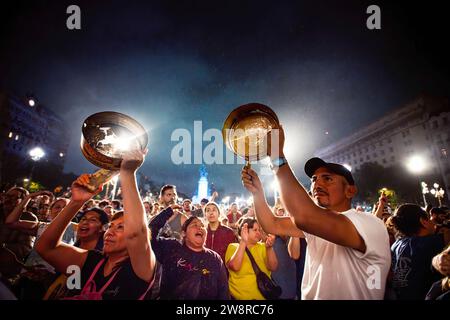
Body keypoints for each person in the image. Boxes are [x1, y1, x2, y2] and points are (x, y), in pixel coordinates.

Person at [241, 126, 391, 300]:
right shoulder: (315, 224)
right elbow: (271, 224)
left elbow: (304, 216)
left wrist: (277, 157)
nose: (317, 184)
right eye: (314, 179)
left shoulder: (370, 224)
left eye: (327, 178)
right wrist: (257, 193)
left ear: (350, 191)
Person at [36, 149, 156, 300]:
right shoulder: (92, 262)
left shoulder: (141, 268)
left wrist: (127, 173)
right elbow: (45, 248)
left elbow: (136, 233)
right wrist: (76, 202)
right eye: (111, 226)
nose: (110, 232)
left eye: (120, 227)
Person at [149, 205, 229, 300]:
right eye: (195, 225)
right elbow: (148, 237)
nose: (200, 228)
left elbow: (223, 291)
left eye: (202, 226)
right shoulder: (171, 248)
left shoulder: (214, 258)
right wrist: (167, 212)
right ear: (184, 233)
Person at [390, 204, 449, 300]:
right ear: (423, 221)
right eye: (429, 219)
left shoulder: (396, 244)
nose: (433, 223)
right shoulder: (432, 242)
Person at [225, 217, 278, 300]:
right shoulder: (233, 247)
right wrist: (243, 241)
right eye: (255, 230)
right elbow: (235, 267)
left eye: (259, 230)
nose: (258, 233)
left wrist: (269, 248)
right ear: (244, 231)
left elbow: (273, 267)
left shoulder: (264, 247)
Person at [0, 187, 37, 279]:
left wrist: (2, 247)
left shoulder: (28, 218)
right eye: (7, 195)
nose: (8, 199)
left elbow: (25, 247)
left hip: (6, 270)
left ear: (23, 202)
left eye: (13, 197)